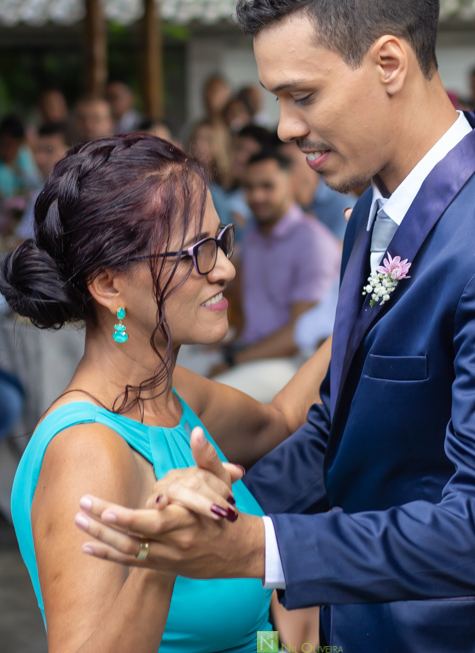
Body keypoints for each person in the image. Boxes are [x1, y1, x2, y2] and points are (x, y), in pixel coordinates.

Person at [76, 0, 475, 653]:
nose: (285, 127)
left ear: (388, 63)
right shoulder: (375, 205)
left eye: (302, 94)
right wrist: (223, 508)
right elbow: (345, 435)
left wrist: (262, 549)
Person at [2, 133, 329, 653]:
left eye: (220, 239)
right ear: (109, 286)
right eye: (196, 252)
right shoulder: (89, 449)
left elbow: (282, 420)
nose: (225, 268)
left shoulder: (170, 394)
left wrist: (374, 288)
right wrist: (161, 559)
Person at [213, 149, 341, 401]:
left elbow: (299, 334)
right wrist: (232, 345)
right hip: (250, 351)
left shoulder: (313, 243)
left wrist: (233, 360)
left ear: (291, 184)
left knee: (206, 398)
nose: (257, 196)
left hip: (294, 363)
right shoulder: (253, 239)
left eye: (267, 186)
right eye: (249, 187)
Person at [15, 121, 71, 240]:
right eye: (37, 150)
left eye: (49, 150)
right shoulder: (42, 191)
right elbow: (22, 240)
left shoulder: (82, 193)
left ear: (72, 151)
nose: (40, 159)